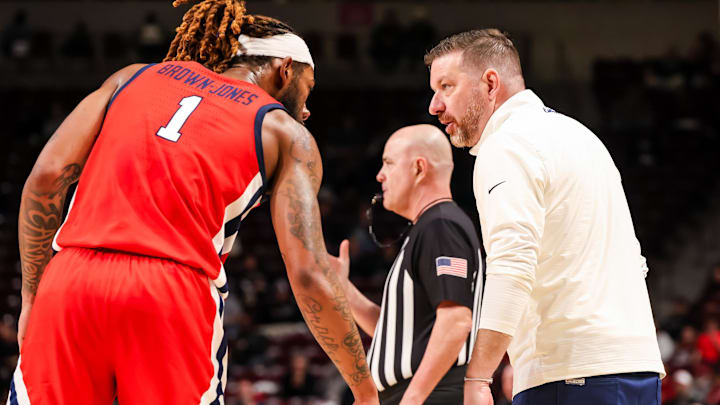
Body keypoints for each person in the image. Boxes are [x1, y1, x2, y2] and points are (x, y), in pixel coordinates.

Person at [8, 1, 378, 404]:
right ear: (284, 69)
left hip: (71, 280)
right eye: (307, 90)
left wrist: (33, 295)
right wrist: (364, 391)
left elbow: (45, 179)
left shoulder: (132, 77)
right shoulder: (285, 132)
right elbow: (308, 274)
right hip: (172, 291)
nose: (306, 109)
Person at [424, 29, 666, 405]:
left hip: (571, 374)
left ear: (490, 83)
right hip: (635, 367)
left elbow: (513, 265)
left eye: (446, 86)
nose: (435, 105)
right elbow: (635, 260)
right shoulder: (581, 136)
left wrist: (478, 376)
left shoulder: (505, 145)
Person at [330, 125, 484, 405]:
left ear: (419, 168)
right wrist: (344, 290)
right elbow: (402, 335)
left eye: (388, 163)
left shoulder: (441, 226)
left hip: (430, 395)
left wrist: (412, 399)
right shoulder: (429, 227)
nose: (380, 175)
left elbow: (456, 320)